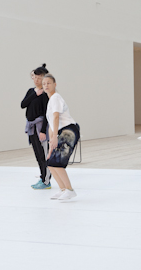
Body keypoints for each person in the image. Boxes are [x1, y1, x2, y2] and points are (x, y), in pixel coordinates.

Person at [43, 73, 80, 202]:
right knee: (50, 163)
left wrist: (54, 138)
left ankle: (70, 190)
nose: (46, 85)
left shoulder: (55, 97)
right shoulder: (50, 101)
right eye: (44, 84)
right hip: (60, 132)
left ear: (55, 84)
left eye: (48, 83)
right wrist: (50, 144)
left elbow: (56, 117)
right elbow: (50, 125)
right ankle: (63, 189)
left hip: (68, 131)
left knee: (57, 163)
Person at [21, 64, 51, 189]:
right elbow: (23, 104)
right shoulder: (31, 91)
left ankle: (46, 181)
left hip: (40, 129)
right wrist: (35, 94)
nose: (37, 80)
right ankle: (42, 177)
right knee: (38, 155)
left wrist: (43, 131)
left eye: (40, 77)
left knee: (44, 155)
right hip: (32, 128)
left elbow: (46, 114)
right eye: (35, 77)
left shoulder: (46, 94)